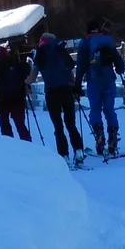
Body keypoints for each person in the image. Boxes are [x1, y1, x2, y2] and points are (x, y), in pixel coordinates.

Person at [33, 31, 86, 166]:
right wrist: (74, 85)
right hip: (66, 90)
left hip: (51, 92)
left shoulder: (40, 53)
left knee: (58, 126)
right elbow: (70, 68)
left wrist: (25, 83)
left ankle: (64, 156)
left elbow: (33, 75)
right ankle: (79, 151)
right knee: (71, 123)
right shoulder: (60, 50)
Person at [76, 19, 124, 156]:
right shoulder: (107, 41)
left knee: (95, 109)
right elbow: (117, 59)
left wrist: (77, 85)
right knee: (109, 109)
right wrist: (120, 69)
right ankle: (113, 135)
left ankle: (99, 135)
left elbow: (80, 66)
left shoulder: (85, 43)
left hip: (93, 80)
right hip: (109, 79)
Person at [0, 38, 33, 143]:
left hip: (2, 101)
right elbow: (25, 82)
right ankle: (28, 147)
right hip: (18, 99)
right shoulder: (17, 66)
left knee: (5, 125)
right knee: (20, 125)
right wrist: (26, 92)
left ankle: (10, 148)